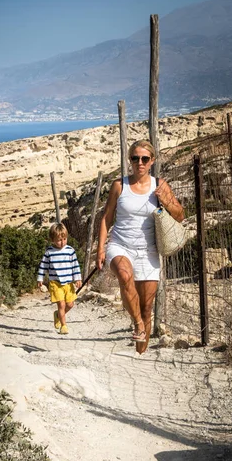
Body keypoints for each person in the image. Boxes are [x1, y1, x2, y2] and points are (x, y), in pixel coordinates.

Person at [96, 140, 184, 353]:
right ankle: (136, 324)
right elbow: (107, 218)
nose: (140, 162)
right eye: (135, 158)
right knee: (125, 276)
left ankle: (140, 353)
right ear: (130, 160)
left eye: (145, 158)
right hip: (120, 245)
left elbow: (180, 215)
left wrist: (166, 201)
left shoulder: (160, 185)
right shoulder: (119, 185)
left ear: (152, 161)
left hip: (148, 251)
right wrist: (101, 249)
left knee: (146, 308)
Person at [37, 223, 82, 335]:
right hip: (55, 283)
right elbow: (43, 266)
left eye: (64, 239)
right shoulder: (49, 252)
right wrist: (40, 278)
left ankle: (57, 315)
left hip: (68, 283)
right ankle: (64, 326)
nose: (62, 242)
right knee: (61, 304)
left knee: (70, 304)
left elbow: (75, 265)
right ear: (52, 239)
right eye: (59, 240)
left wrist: (77, 279)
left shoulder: (70, 251)